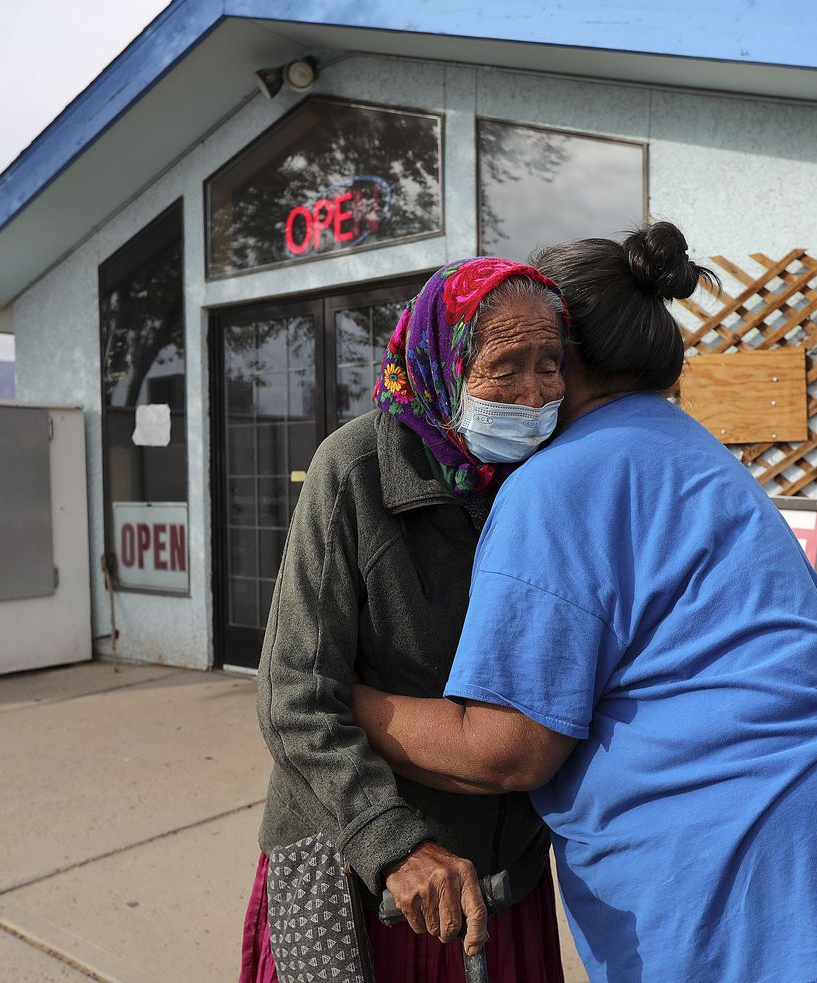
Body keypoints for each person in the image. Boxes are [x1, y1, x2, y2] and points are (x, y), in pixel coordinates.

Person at [352, 222, 817, 982]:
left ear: (562, 353)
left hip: (751, 841)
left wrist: (347, 702)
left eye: (533, 355)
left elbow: (509, 748)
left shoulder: (554, 483)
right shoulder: (689, 444)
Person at [240, 258, 571, 983]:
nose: (534, 393)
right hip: (364, 866)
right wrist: (392, 842)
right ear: (441, 362)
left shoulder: (546, 479)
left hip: (500, 875)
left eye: (550, 364)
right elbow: (294, 696)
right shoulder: (353, 471)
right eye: (505, 366)